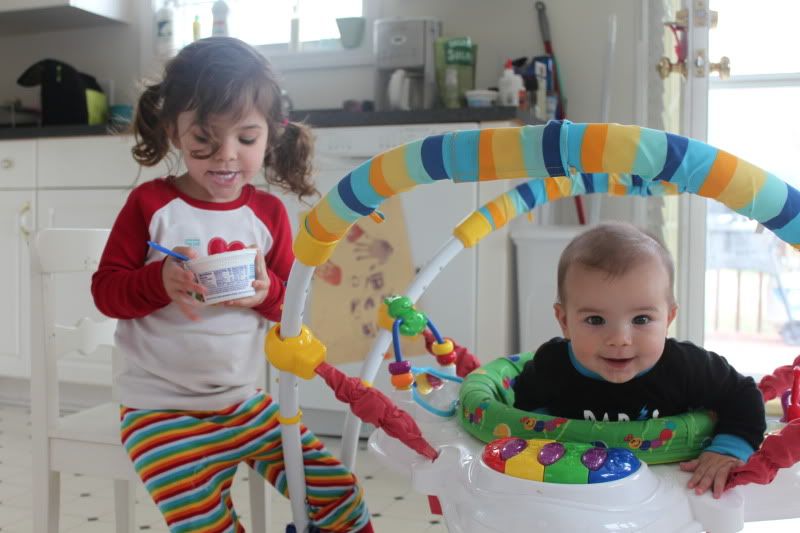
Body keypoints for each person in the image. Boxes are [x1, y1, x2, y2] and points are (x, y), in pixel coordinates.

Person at [92, 37, 372, 532]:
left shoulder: (267, 214)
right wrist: (158, 281)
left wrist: (267, 296)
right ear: (174, 131)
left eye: (245, 139)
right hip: (158, 412)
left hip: (246, 404)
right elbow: (106, 292)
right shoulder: (150, 205)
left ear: (271, 135)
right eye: (204, 138)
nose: (225, 156)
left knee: (341, 498)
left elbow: (292, 307)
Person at [512, 221, 765, 499]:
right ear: (564, 321)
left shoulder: (686, 367)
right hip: (575, 491)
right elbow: (525, 405)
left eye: (641, 319)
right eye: (595, 320)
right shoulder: (551, 366)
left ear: (668, 318)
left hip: (671, 489)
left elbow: (743, 395)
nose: (620, 339)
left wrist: (727, 450)